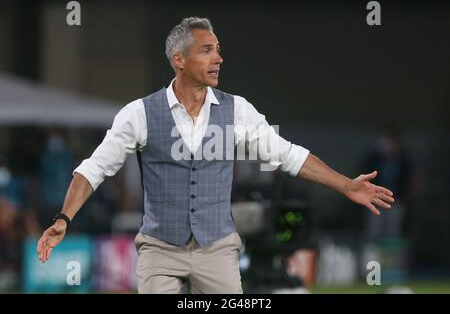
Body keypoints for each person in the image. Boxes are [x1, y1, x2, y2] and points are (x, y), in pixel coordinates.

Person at [36, 17, 395, 294]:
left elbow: (289, 155)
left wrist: (346, 185)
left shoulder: (237, 111)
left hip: (218, 248)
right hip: (160, 250)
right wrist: (64, 218)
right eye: (206, 50)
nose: (218, 58)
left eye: (218, 49)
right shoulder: (139, 114)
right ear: (179, 59)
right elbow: (94, 170)